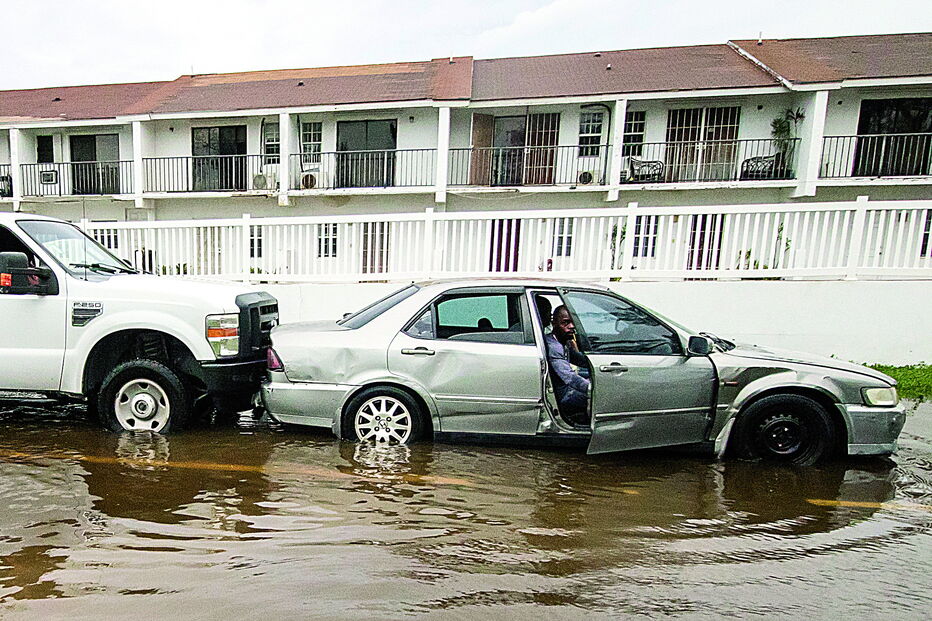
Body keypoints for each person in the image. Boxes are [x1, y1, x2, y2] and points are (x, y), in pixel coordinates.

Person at [544, 305, 589, 423]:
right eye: (566, 323)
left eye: (574, 322)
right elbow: (570, 378)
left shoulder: (563, 341)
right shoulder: (553, 347)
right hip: (563, 396)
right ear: (554, 323)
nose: (572, 326)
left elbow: (580, 360)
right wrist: (594, 389)